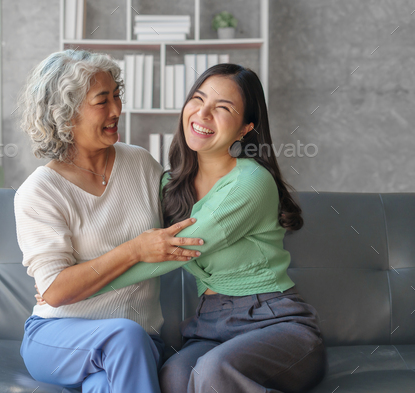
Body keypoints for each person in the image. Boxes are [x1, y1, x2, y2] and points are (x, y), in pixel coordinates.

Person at [85, 64, 328, 392]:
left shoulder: (252, 180)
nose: (203, 113)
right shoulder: (169, 186)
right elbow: (124, 226)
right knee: (173, 378)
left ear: (245, 128)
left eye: (223, 108)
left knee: (213, 372)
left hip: (276, 322)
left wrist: (83, 284)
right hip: (209, 323)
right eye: (197, 99)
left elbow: (177, 249)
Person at [13, 49, 203, 393]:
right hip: (57, 338)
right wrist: (135, 250)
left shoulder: (141, 164)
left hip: (138, 340)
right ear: (66, 113)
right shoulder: (40, 191)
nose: (117, 110)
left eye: (117, 96)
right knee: (124, 336)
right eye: (103, 101)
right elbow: (56, 292)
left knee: (105, 383)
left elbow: (189, 220)